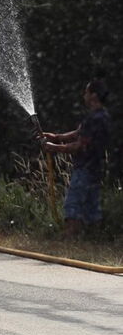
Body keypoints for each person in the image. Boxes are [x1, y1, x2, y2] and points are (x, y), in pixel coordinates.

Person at [40, 78, 112, 237]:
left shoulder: (95, 119)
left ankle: (69, 240)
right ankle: (95, 240)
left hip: (85, 168)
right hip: (95, 169)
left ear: (93, 95)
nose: (84, 95)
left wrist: (54, 148)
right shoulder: (101, 116)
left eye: (86, 92)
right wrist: (55, 137)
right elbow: (77, 133)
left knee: (73, 205)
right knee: (92, 208)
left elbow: (79, 145)